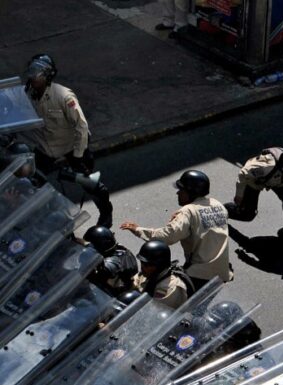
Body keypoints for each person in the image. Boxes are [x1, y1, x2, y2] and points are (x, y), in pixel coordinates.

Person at [19, 54, 113, 228]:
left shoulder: (63, 96)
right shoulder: (27, 94)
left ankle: (106, 214)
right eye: (31, 73)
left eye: (37, 74)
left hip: (71, 148)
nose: (33, 77)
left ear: (47, 76)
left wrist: (78, 155)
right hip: (45, 149)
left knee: (90, 184)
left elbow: (82, 126)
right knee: (32, 181)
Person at [121, 170, 231, 289]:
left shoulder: (188, 211)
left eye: (181, 190)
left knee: (179, 303)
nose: (178, 193)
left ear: (191, 192)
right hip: (222, 272)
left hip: (199, 273)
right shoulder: (218, 205)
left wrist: (138, 229)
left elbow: (167, 236)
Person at [224, 147, 283, 245]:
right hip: (255, 181)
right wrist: (239, 196)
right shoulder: (264, 168)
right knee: (247, 215)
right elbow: (243, 174)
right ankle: (221, 212)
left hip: (280, 181)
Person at [132, 240, 194, 309]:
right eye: (142, 262)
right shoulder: (148, 274)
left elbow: (153, 310)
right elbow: (135, 281)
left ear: (160, 265)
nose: (142, 267)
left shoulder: (170, 288)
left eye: (147, 265)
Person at [83, 225, 138, 297]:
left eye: (92, 245)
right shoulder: (115, 248)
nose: (90, 246)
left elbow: (99, 274)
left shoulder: (113, 261)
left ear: (100, 246)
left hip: (116, 295)